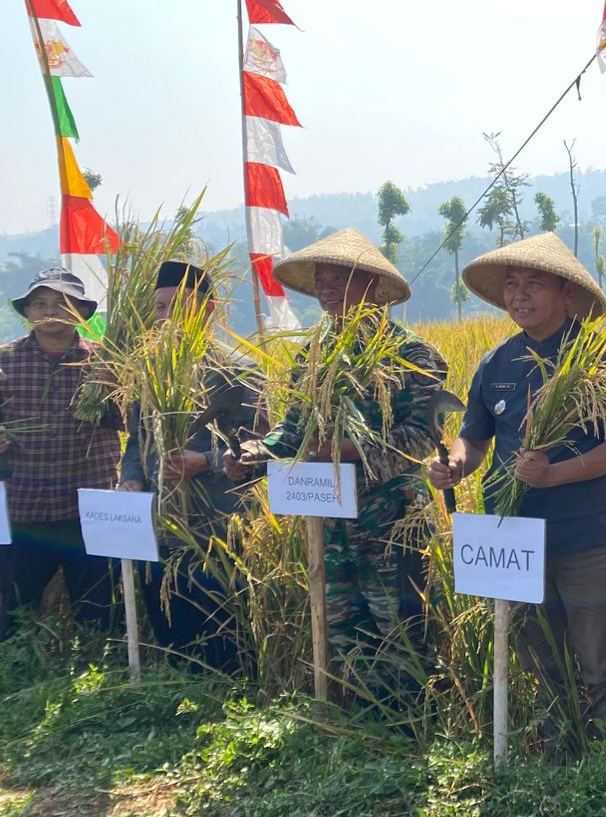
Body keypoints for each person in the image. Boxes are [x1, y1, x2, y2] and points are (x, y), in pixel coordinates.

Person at [429, 234, 606, 743]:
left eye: (534, 284)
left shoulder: (600, 357)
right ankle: (556, 759)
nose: (519, 295)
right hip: (515, 539)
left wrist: (554, 474)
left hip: (586, 534)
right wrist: (455, 465)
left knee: (601, 658)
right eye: (511, 284)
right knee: (538, 658)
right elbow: (475, 441)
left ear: (567, 294)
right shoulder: (495, 363)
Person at [229, 229, 446, 704]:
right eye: (320, 282)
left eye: (337, 280)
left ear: (370, 285)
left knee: (403, 630)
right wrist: (256, 452)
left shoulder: (415, 355)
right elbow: (294, 428)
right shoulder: (314, 354)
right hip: (332, 521)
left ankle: (415, 728)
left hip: (392, 521)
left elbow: (420, 439)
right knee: (344, 626)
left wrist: (348, 449)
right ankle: (362, 723)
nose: (326, 291)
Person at [118, 261, 263, 671]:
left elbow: (264, 445)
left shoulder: (238, 372)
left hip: (217, 528)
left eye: (178, 305)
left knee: (223, 636)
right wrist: (131, 477)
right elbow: (135, 440)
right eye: (160, 307)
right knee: (172, 633)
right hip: (160, 525)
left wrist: (208, 461)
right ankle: (178, 703)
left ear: (209, 310)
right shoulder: (146, 372)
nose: (166, 317)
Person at [0, 268, 120, 638]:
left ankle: (97, 683)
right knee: (10, 613)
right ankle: (18, 683)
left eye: (62, 303)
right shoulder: (4, 361)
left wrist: (116, 392)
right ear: (28, 312)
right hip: (22, 510)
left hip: (88, 508)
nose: (50, 312)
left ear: (80, 313)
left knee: (98, 613)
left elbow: (136, 422)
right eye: (40, 304)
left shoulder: (107, 364)